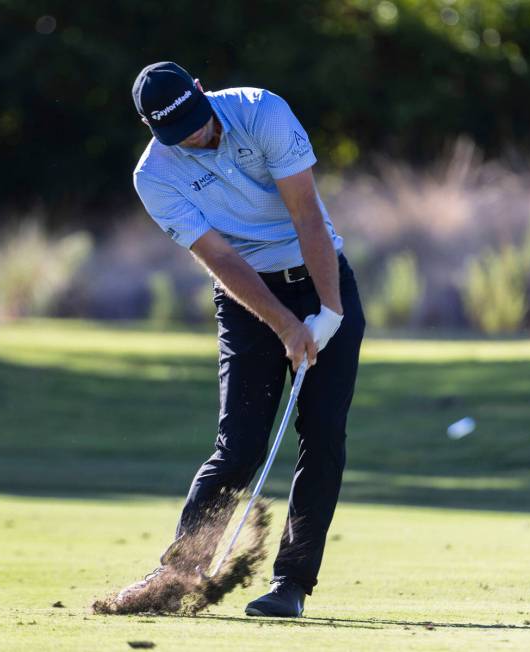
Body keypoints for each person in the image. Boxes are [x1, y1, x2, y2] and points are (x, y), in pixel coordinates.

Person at [120, 61, 365, 618]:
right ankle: (176, 576)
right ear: (150, 128)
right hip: (248, 296)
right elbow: (222, 259)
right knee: (239, 447)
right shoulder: (154, 177)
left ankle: (291, 585)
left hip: (322, 277)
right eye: (180, 135)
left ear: (202, 91)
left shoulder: (262, 112)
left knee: (322, 436)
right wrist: (285, 325)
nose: (198, 139)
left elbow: (307, 215)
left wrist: (328, 312)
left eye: (199, 123)